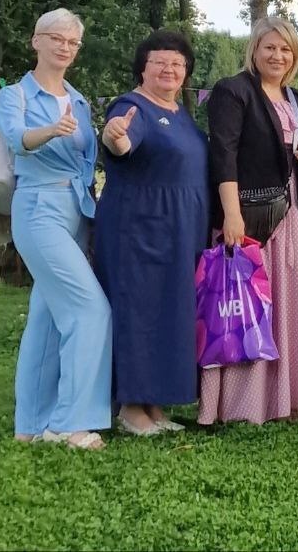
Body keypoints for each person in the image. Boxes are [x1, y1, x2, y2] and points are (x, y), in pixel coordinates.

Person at [0, 8, 110, 450]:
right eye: (57, 38)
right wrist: (49, 130)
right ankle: (68, 425)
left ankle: (29, 425)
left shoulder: (78, 100)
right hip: (39, 207)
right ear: (36, 41)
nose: (65, 47)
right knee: (90, 309)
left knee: (45, 320)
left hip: (77, 210)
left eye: (72, 42)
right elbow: (16, 139)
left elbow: (86, 160)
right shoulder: (15, 95)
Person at [201, 16, 298, 425]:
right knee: (242, 307)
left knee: (282, 309)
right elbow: (224, 154)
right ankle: (240, 406)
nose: (277, 56)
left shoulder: (297, 98)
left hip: (286, 214)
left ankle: (281, 401)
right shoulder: (233, 91)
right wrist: (231, 215)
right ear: (254, 50)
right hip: (245, 216)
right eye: (270, 47)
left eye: (286, 49)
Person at [96, 30, 209, 436]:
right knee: (139, 310)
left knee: (169, 312)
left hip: (181, 229)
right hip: (140, 227)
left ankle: (155, 405)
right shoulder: (132, 106)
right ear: (142, 68)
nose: (169, 69)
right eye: (159, 61)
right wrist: (117, 139)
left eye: (177, 63)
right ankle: (131, 406)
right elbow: (122, 140)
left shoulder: (181, 113)